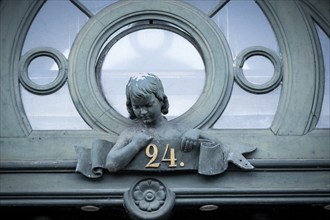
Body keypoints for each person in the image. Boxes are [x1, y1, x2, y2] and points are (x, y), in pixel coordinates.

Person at [105, 73, 219, 172]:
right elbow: (111, 163)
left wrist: (197, 133)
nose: (143, 112)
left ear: (161, 102)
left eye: (148, 105)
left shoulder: (177, 130)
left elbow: (218, 147)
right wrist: (135, 145)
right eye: (137, 107)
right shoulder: (130, 134)